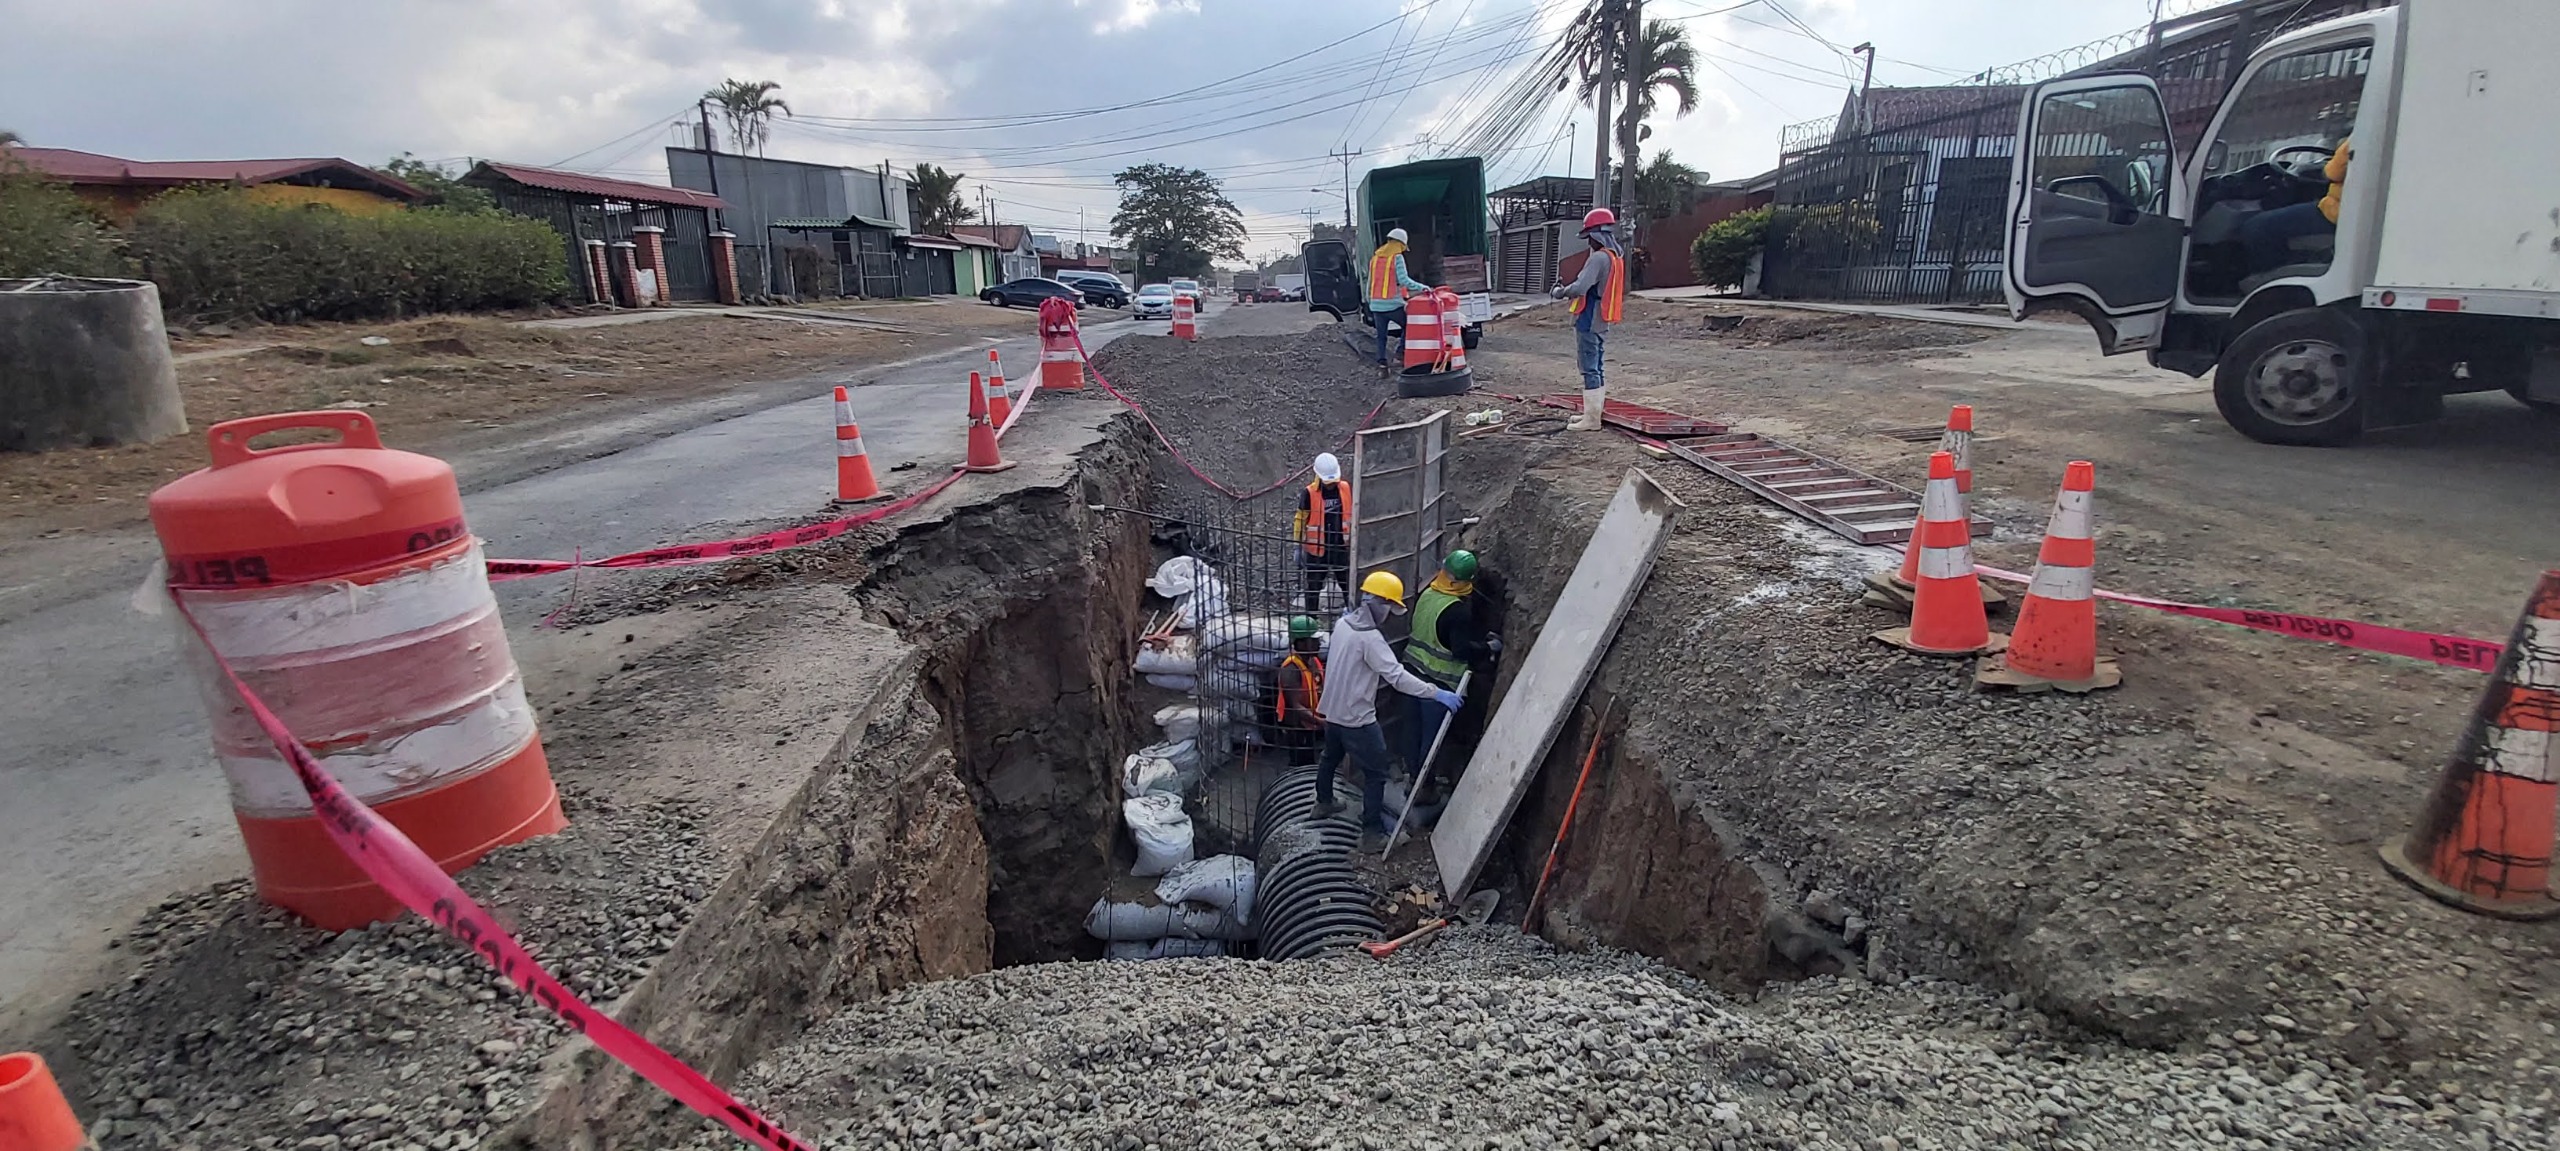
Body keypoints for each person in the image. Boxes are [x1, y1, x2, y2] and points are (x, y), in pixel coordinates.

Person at [1316, 571, 1463, 849]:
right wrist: (1436, 693)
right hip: (1357, 718)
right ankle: (1372, 834)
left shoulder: (1343, 624)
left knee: (1329, 757)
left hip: (1332, 711)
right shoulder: (1370, 639)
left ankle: (1323, 803)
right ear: (1377, 603)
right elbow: (1397, 677)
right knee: (1377, 773)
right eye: (1389, 607)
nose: (1389, 614)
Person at [1402, 549, 1500, 779]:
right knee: (1432, 740)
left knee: (1411, 733)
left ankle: (1412, 778)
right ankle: (1424, 788)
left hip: (1411, 674)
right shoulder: (1457, 611)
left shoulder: (1427, 594)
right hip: (1439, 683)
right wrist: (1488, 648)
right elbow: (1461, 650)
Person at [1551, 208, 1627, 431]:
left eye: (1589, 238)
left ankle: (1592, 420)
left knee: (1588, 367)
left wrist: (1560, 292)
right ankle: (1592, 413)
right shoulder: (1615, 257)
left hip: (1589, 317)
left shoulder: (1599, 258)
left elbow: (1581, 286)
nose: (1588, 243)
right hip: (1602, 318)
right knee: (1597, 365)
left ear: (1596, 235)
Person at [2239, 138, 2350, 275]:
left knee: (2256, 227)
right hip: (2348, 211)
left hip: (2336, 212)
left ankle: (2270, 275)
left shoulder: (2359, 138)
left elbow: (2332, 172)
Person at [1365, 226, 1432, 370]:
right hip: (1392, 305)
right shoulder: (1397, 258)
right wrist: (1423, 287)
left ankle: (1381, 363)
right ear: (1400, 244)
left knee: (1381, 336)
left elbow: (1370, 282)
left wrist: (1369, 300)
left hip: (1376, 305)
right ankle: (1399, 355)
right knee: (1409, 326)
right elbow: (1404, 281)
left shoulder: (1375, 258)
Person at [1294, 452, 1352, 613]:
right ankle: (1311, 621)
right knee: (1313, 587)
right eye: (1328, 482)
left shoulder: (1345, 489)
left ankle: (1352, 616)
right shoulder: (1309, 493)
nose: (1331, 485)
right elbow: (1300, 520)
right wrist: (1298, 546)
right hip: (1317, 550)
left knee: (1347, 585)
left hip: (1340, 547)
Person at [1273, 616, 1326, 770]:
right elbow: (1295, 706)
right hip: (1297, 725)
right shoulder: (1290, 668)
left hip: (1311, 722)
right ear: (1302, 643)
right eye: (1313, 640)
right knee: (1301, 763)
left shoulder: (1313, 661)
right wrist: (1321, 722)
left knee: (1311, 759)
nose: (1319, 643)